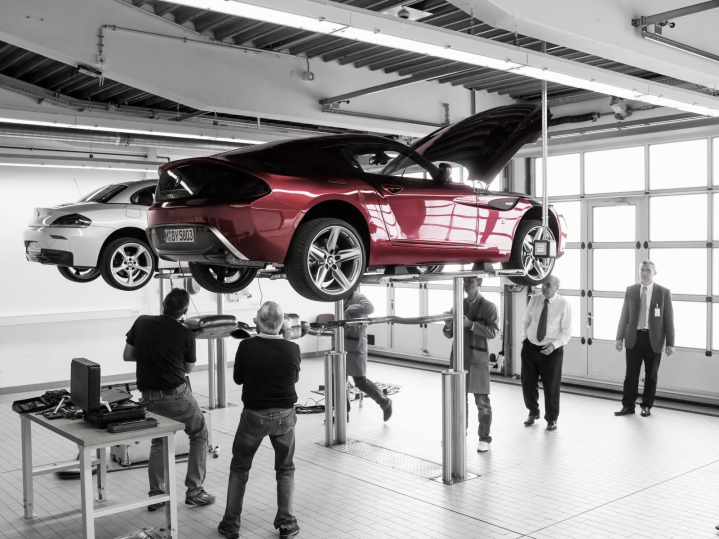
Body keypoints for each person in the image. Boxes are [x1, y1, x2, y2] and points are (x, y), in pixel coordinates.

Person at [123, 288, 215, 510]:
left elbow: (128, 355)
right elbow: (188, 369)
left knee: (160, 440)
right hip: (176, 397)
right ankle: (194, 491)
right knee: (199, 433)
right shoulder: (186, 334)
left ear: (163, 304)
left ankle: (157, 495)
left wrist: (152, 355)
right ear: (184, 311)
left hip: (148, 399)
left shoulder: (142, 321)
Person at [219, 301, 301, 539]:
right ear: (282, 324)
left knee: (240, 467)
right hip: (285, 415)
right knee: (285, 469)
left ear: (257, 323)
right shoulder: (293, 348)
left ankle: (231, 524)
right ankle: (286, 524)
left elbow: (238, 379)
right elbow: (294, 378)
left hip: (254, 415)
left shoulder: (246, 346)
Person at [442, 276, 499, 452]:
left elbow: (493, 332)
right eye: (464, 281)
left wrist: (471, 325)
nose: (466, 285)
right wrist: (448, 325)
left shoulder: (489, 307)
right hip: (459, 359)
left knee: (482, 403)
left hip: (478, 360)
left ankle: (485, 438)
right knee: (459, 401)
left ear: (479, 283)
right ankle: (460, 434)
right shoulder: (457, 305)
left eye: (470, 282)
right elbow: (449, 334)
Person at [614, 260, 675, 417]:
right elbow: (624, 314)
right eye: (642, 270)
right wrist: (619, 337)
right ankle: (628, 405)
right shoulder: (631, 290)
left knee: (651, 375)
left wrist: (670, 343)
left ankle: (646, 406)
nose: (644, 273)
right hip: (634, 337)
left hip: (653, 339)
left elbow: (669, 318)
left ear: (655, 273)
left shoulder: (664, 292)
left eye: (648, 270)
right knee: (631, 374)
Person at [520, 275, 572, 431]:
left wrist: (553, 346)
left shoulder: (563, 304)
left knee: (551, 386)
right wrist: (525, 339)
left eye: (548, 285)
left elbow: (567, 331)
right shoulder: (535, 299)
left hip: (551, 350)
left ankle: (551, 419)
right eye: (542, 285)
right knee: (528, 384)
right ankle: (533, 411)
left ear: (557, 288)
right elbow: (526, 321)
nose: (544, 288)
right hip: (530, 347)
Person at [344, 291, 393, 421]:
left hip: (355, 345)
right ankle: (342, 413)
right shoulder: (335, 298)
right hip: (341, 344)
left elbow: (370, 308)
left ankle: (384, 401)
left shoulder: (358, 297)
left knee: (360, 381)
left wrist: (350, 309)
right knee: (337, 380)